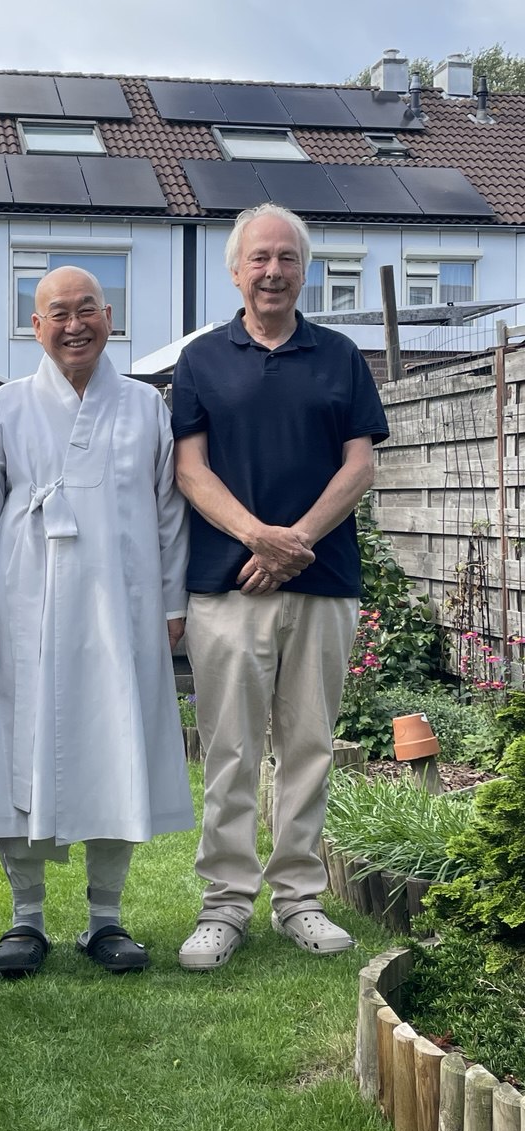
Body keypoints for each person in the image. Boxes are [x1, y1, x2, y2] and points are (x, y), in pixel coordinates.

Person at [170, 203, 389, 970]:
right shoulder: (202, 360)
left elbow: (358, 466)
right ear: (236, 270)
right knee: (229, 749)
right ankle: (224, 906)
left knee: (308, 746)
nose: (272, 271)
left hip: (323, 584)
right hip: (227, 589)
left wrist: (293, 544)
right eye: (259, 258)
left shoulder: (340, 356)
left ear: (304, 270)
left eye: (286, 259)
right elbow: (189, 471)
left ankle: (299, 899)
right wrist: (258, 538)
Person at [0, 265, 194, 977]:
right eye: (57, 312)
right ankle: (24, 918)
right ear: (35, 326)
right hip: (27, 599)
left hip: (121, 605)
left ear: (109, 315)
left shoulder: (147, 407)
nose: (73, 324)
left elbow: (169, 510)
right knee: (18, 744)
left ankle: (106, 919)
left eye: (86, 309)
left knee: (112, 743)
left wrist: (171, 602)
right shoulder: (4, 408)